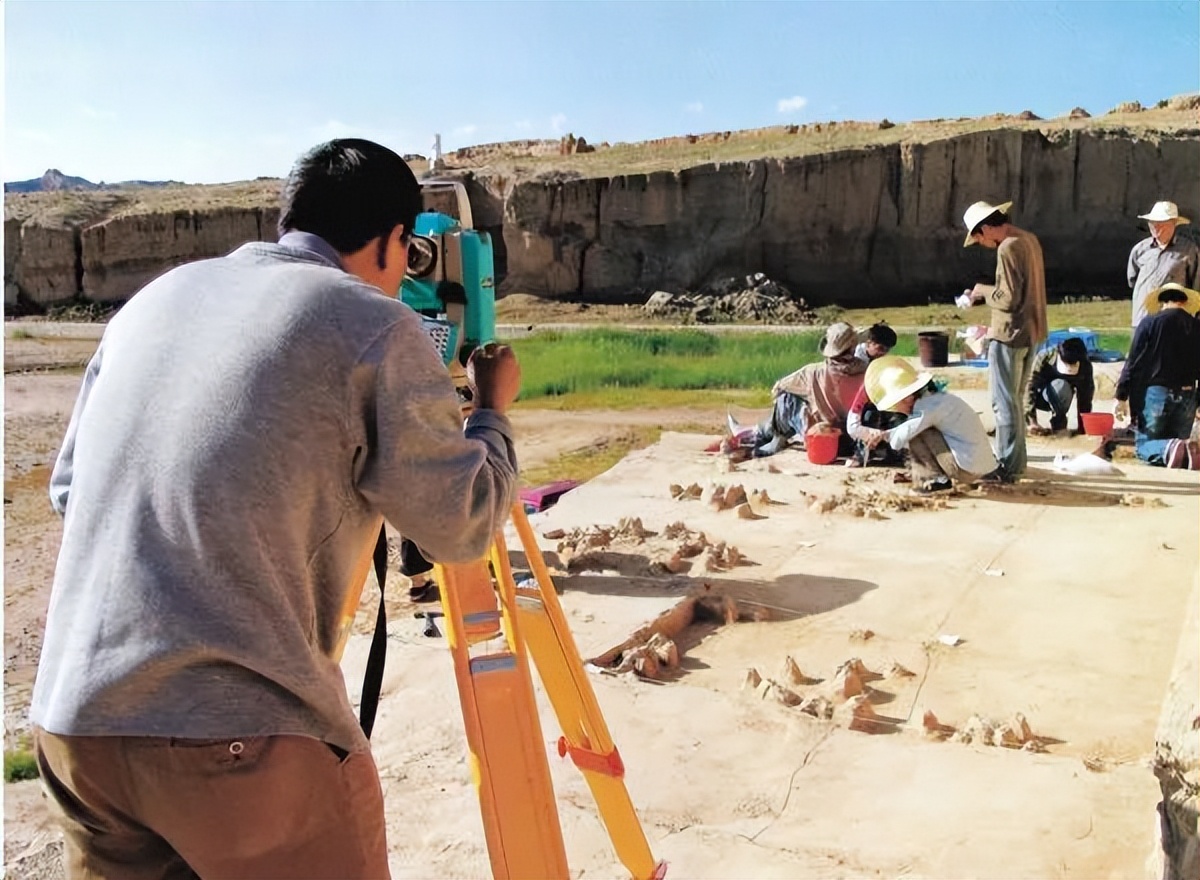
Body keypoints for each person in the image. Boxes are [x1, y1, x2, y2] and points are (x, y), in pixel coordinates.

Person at [31, 139, 522, 879]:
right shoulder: (373, 327)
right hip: (239, 745)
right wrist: (492, 415)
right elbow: (462, 525)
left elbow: (69, 491)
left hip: (76, 724)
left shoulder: (154, 300)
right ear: (398, 239)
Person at [961, 199, 1048, 482]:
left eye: (978, 237)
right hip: (1032, 331)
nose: (980, 243)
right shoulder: (1029, 239)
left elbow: (1009, 299)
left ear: (986, 228)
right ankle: (1016, 462)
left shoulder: (1008, 247)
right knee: (1015, 400)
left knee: (1004, 403)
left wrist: (981, 291)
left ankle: (1008, 467)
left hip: (1009, 334)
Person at [864, 356, 1000, 493]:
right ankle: (931, 477)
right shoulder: (936, 401)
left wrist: (883, 436)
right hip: (980, 465)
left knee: (919, 433)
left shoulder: (926, 409)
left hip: (967, 469)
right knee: (918, 429)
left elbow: (898, 440)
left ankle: (935, 479)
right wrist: (884, 435)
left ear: (908, 398)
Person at [743, 321, 866, 458]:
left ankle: (775, 436)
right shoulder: (866, 372)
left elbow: (779, 387)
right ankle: (764, 432)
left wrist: (812, 404)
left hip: (822, 438)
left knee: (787, 398)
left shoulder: (813, 372)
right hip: (852, 440)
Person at [1114, 283, 1200, 469]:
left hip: (1156, 392)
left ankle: (1173, 448)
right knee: (1177, 445)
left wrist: (1122, 395)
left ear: (1162, 302)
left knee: (1145, 445)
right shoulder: (1196, 326)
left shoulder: (1150, 323)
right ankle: (1183, 448)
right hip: (1188, 392)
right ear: (1185, 301)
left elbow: (1134, 362)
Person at [1127, 201, 1199, 328]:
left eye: (1161, 224)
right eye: (1153, 223)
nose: (1156, 227)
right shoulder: (1140, 249)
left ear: (1173, 224)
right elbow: (1132, 279)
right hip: (1142, 319)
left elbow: (1196, 285)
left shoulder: (1189, 250)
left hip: (1173, 323)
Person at [845, 326, 906, 468]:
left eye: (886, 350)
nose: (882, 353)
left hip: (873, 396)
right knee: (868, 416)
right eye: (880, 349)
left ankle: (893, 453)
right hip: (856, 400)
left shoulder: (881, 361)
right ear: (868, 343)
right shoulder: (855, 360)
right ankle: (861, 452)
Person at [1025, 337, 1095, 435]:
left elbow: (1085, 397)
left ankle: (1058, 424)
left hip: (1063, 396)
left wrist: (1083, 428)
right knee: (1060, 385)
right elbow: (1029, 386)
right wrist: (1031, 421)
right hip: (1041, 396)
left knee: (1063, 388)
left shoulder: (1085, 366)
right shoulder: (1044, 358)